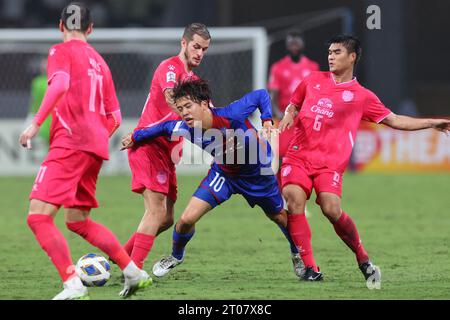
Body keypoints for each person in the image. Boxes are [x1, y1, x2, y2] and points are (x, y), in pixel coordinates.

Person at [279, 35, 450, 284]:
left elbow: (395, 120)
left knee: (330, 208)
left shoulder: (361, 96)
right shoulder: (312, 80)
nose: (330, 56)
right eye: (329, 52)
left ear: (352, 57)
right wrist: (287, 116)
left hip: (329, 165)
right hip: (298, 155)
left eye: (337, 52)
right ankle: (309, 267)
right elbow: (293, 105)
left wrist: (433, 122)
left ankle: (363, 258)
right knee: (294, 199)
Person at [18, 3, 151, 300]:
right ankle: (132, 271)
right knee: (77, 220)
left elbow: (61, 83)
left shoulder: (59, 51)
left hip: (69, 141)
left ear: (60, 26)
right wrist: (95, 138)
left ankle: (73, 284)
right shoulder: (101, 63)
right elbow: (115, 117)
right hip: (95, 147)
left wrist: (34, 124)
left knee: (38, 217)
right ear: (90, 29)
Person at [121, 79, 304, 279]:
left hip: (257, 174)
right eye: (180, 108)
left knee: (279, 216)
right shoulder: (184, 127)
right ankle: (176, 256)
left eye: (188, 106)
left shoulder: (232, 114)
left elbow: (261, 94)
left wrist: (267, 119)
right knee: (185, 220)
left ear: (204, 103)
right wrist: (135, 137)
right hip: (224, 175)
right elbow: (161, 129)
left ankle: (297, 253)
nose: (184, 113)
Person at [122, 23, 211, 271]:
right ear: (183, 43)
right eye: (196, 46)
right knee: (156, 211)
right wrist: (192, 113)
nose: (200, 53)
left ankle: (119, 258)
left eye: (204, 49)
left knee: (166, 219)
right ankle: (133, 270)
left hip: (167, 153)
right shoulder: (169, 67)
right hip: (149, 145)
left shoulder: (195, 80)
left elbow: (211, 113)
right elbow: (173, 99)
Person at [268, 30, 319, 159]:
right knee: (282, 154)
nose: (294, 46)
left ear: (302, 44)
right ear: (287, 45)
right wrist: (278, 113)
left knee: (304, 155)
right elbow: (273, 93)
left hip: (305, 118)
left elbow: (317, 94)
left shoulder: (313, 66)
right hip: (285, 118)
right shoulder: (278, 67)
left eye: (296, 43)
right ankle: (280, 179)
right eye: (291, 43)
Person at [26, 57, 52, 147]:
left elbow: (34, 102)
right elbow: (35, 102)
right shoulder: (38, 82)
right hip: (48, 121)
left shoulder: (38, 82)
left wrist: (32, 115)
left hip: (44, 120)